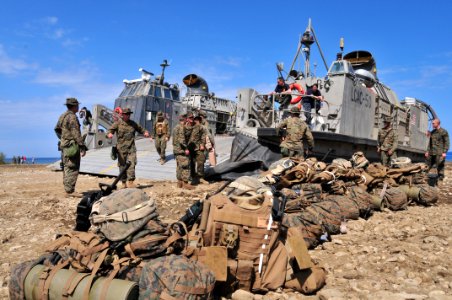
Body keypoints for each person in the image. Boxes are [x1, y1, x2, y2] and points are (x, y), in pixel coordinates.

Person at [107, 108, 149, 188]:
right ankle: (123, 183)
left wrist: (145, 132)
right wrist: (109, 134)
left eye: (129, 114)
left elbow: (140, 129)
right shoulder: (117, 123)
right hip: (121, 149)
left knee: (132, 164)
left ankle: (131, 182)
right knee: (122, 166)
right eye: (126, 114)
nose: (128, 115)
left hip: (131, 148)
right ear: (122, 115)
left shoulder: (133, 123)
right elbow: (109, 131)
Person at [54, 97, 86, 196]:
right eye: (77, 105)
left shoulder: (63, 116)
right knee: (73, 167)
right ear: (74, 106)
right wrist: (82, 146)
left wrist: (63, 138)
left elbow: (56, 129)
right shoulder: (72, 117)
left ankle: (68, 189)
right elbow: (76, 133)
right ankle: (70, 191)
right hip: (72, 146)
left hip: (64, 146)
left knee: (66, 167)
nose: (78, 107)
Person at [173, 114, 194, 190]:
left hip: (177, 150)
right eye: (187, 119)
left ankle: (179, 182)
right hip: (182, 150)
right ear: (185, 119)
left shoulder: (176, 127)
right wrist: (186, 148)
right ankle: (185, 183)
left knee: (179, 167)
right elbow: (181, 139)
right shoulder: (181, 127)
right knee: (186, 166)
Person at [189, 116, 208, 184]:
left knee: (201, 162)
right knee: (192, 163)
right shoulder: (190, 126)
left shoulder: (201, 127)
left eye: (197, 120)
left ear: (199, 121)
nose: (195, 121)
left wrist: (202, 144)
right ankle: (193, 177)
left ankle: (200, 177)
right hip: (191, 148)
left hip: (199, 147)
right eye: (195, 120)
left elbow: (203, 136)